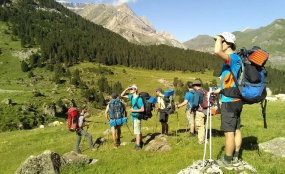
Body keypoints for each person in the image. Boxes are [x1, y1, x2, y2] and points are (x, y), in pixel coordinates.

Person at [212, 32, 243, 168]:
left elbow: (217, 51)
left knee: (228, 132)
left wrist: (218, 37)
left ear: (228, 43)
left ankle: (227, 160)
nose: (220, 43)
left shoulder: (233, 58)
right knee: (236, 129)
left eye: (223, 41)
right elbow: (230, 81)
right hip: (234, 99)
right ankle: (236, 157)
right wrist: (220, 90)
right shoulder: (233, 60)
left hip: (229, 101)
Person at [121, 84, 145, 151]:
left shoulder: (139, 99)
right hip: (133, 117)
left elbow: (142, 109)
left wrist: (134, 110)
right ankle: (141, 142)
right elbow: (122, 95)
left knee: (137, 132)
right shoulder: (131, 97)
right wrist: (127, 88)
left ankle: (138, 146)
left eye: (132, 89)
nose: (130, 90)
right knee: (138, 131)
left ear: (135, 90)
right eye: (130, 89)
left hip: (137, 117)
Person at [191, 79, 206, 145]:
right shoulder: (205, 91)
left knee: (200, 126)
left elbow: (196, 103)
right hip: (206, 110)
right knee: (204, 125)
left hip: (200, 111)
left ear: (195, 86)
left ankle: (201, 141)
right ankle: (204, 138)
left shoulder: (197, 93)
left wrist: (192, 108)